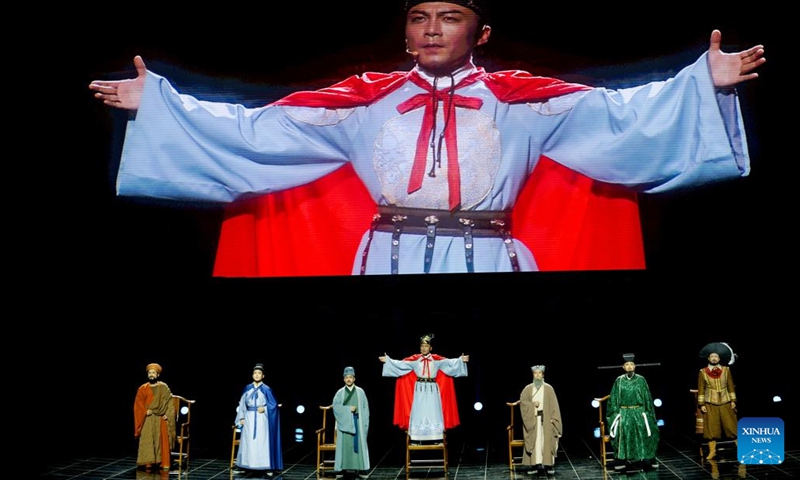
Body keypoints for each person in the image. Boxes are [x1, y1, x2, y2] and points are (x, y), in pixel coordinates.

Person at [89, 1, 766, 277]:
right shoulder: (364, 101)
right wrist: (159, 104)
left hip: (493, 254)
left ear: (481, 33)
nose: (433, 29)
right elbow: (256, 130)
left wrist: (704, 83)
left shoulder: (523, 101)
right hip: (386, 255)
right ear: (406, 34)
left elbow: (623, 116)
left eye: (450, 17)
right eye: (420, 19)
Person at [379, 333, 468, 441]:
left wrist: (460, 360)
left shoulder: (436, 359)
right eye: (422, 346)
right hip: (419, 388)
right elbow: (400, 364)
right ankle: (418, 436)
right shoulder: (415, 360)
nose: (424, 348)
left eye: (426, 346)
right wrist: (388, 361)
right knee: (419, 410)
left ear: (430, 348)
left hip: (432, 388)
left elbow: (450, 363)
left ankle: (435, 435)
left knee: (433, 410)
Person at [606, 354, 659, 472]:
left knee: (646, 428)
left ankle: (647, 458)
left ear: (634, 366)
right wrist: (616, 414)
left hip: (639, 411)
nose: (629, 367)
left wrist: (647, 413)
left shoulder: (641, 380)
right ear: (623, 367)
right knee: (621, 428)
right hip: (624, 411)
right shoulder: (619, 381)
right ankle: (622, 459)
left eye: (631, 364)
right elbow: (613, 400)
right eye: (627, 365)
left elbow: (647, 399)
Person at [234, 363, 283, 474]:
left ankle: (265, 466)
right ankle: (245, 465)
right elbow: (242, 404)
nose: (257, 375)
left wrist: (265, 408)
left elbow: (273, 405)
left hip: (262, 419)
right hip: (249, 417)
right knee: (248, 442)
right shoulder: (247, 388)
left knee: (261, 442)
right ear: (252, 375)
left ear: (263, 376)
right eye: (255, 373)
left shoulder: (266, 389)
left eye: (259, 373)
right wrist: (241, 417)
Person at [697, 342, 738, 460]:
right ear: (708, 358)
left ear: (719, 358)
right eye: (712, 357)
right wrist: (702, 404)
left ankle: (741, 448)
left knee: (731, 426)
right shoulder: (703, 372)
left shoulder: (726, 370)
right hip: (710, 402)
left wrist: (733, 400)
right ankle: (712, 451)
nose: (714, 358)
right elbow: (701, 388)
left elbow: (730, 385)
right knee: (711, 428)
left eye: (716, 357)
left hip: (725, 401)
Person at [519, 365, 562, 475]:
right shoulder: (528, 389)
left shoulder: (549, 388)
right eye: (535, 373)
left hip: (546, 419)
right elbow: (523, 402)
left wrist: (554, 419)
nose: (537, 376)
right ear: (533, 375)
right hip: (533, 420)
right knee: (535, 442)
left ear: (543, 375)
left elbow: (554, 406)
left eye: (539, 373)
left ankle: (548, 465)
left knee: (546, 442)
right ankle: (534, 465)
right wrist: (533, 405)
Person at [133, 362, 176, 471]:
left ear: (158, 375)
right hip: (148, 418)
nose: (151, 374)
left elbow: (170, 402)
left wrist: (168, 414)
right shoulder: (142, 388)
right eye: (149, 373)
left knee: (161, 440)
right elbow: (138, 404)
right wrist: (144, 411)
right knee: (148, 439)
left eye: (153, 373)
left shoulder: (163, 387)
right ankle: (148, 463)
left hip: (161, 417)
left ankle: (162, 462)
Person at [332, 366, 370, 478]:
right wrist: (348, 410)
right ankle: (342, 468)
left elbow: (365, 408)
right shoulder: (340, 392)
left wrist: (365, 423)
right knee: (345, 446)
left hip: (358, 422)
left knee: (358, 446)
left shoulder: (360, 392)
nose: (348, 379)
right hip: (344, 424)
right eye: (346, 377)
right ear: (343, 379)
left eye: (351, 377)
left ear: (354, 379)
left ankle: (361, 469)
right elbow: (336, 407)